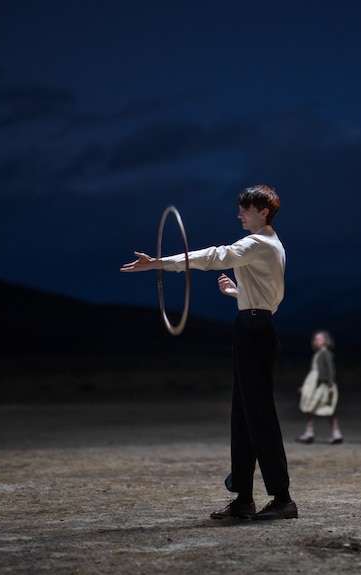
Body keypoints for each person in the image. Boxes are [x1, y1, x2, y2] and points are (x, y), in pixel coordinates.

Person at [120, 184, 297, 521]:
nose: (240, 214)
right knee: (243, 417)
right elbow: (269, 298)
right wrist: (238, 293)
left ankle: (283, 498)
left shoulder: (259, 243)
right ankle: (244, 498)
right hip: (252, 327)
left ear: (264, 211)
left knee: (258, 417)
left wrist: (159, 263)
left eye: (245, 209)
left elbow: (215, 256)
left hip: (255, 331)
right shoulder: (270, 245)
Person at [296, 330, 343, 445]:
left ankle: (336, 434)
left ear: (326, 340)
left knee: (328, 409)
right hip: (314, 383)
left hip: (322, 384)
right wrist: (306, 387)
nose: (317, 341)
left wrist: (330, 384)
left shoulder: (325, 353)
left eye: (320, 339)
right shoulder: (318, 354)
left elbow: (330, 370)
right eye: (316, 339)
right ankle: (309, 432)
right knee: (310, 407)